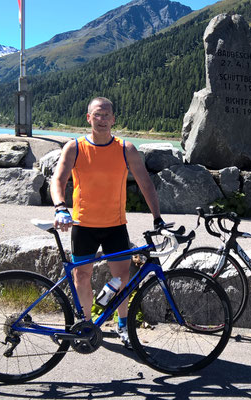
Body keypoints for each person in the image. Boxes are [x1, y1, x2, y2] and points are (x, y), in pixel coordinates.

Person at [50, 97, 163, 348]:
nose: (102, 120)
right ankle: (86, 327)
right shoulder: (75, 147)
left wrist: (157, 217)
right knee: (82, 276)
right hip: (83, 225)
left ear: (114, 119)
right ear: (88, 118)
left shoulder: (126, 149)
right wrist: (60, 207)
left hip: (115, 225)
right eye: (97, 115)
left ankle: (123, 325)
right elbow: (58, 180)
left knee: (122, 278)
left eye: (107, 115)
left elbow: (145, 183)